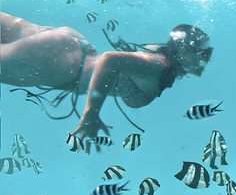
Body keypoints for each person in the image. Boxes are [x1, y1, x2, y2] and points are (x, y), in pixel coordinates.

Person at [1, 12, 213, 153]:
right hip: (61, 63)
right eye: (205, 52)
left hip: (71, 46)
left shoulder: (160, 58)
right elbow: (110, 59)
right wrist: (91, 113)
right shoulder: (159, 64)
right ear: (184, 50)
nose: (207, 57)